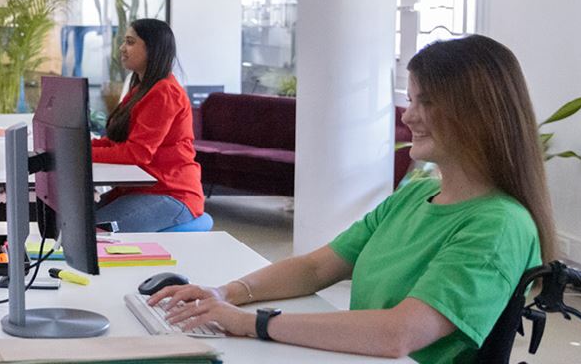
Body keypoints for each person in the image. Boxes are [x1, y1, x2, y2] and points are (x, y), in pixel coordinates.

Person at [149, 34, 554, 363]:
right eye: (412, 100)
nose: (408, 116)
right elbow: (315, 267)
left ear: (477, 113)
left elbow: (399, 334)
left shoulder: (499, 224)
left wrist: (252, 323)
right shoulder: (416, 195)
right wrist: (225, 294)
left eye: (426, 102)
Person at [91, 19, 204, 232]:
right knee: (75, 220)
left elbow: (137, 153)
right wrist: (79, 147)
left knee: (86, 232)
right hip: (142, 189)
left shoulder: (165, 92)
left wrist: (82, 154)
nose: (122, 48)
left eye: (130, 42)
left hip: (170, 193)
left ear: (152, 49)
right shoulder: (142, 89)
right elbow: (117, 141)